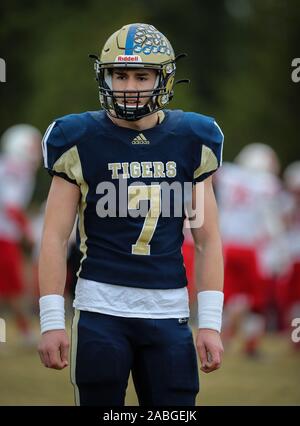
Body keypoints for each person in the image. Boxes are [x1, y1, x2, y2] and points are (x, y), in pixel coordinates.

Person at [38, 23, 224, 406]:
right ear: (104, 76)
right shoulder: (78, 138)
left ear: (165, 78)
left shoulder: (192, 138)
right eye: (119, 75)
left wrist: (210, 323)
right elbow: (54, 238)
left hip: (169, 311)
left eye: (142, 75)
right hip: (100, 309)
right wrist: (51, 320)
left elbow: (207, 241)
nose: (129, 86)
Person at [0, 124, 41, 345]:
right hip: (3, 235)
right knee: (14, 287)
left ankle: (24, 331)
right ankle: (25, 333)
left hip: (5, 234)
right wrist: (27, 230)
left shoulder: (8, 165)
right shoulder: (16, 168)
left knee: (9, 287)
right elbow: (12, 206)